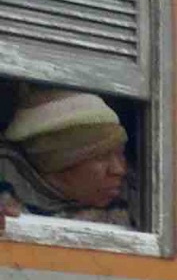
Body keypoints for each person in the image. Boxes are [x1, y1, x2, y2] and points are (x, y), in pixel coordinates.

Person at [0, 85, 136, 226]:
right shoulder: (5, 196)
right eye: (101, 157)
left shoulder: (138, 201)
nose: (119, 170)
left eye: (121, 154)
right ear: (57, 164)